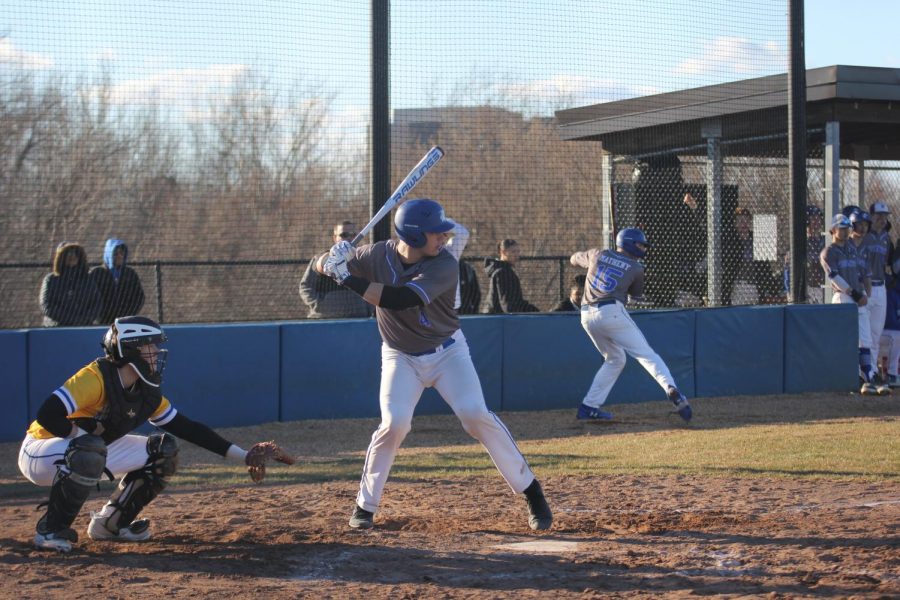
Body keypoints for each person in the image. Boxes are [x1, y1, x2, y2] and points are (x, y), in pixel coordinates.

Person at [316, 198, 552, 531]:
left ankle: (532, 492)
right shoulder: (375, 254)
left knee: (475, 414)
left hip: (447, 353)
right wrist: (331, 260)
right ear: (413, 237)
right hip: (400, 354)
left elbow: (400, 300)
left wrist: (348, 279)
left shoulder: (443, 265)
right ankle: (365, 506)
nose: (443, 238)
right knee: (394, 424)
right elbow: (318, 265)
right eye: (435, 233)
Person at [18, 316, 295, 552]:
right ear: (130, 350)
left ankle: (109, 525)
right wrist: (82, 432)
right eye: (148, 346)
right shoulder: (96, 377)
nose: (155, 352)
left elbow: (188, 428)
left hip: (87, 450)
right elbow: (48, 415)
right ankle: (50, 531)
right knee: (89, 448)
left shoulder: (146, 392)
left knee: (164, 450)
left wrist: (244, 456)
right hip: (40, 449)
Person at [569, 228, 693, 423]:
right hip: (611, 312)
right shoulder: (636, 267)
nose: (643, 248)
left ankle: (589, 406)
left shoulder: (598, 253)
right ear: (628, 243)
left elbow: (574, 259)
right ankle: (672, 389)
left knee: (615, 358)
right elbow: (635, 295)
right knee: (647, 355)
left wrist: (590, 261)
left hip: (586, 315)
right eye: (639, 244)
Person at [820, 213, 887, 395]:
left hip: (859, 296)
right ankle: (846, 378)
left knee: (865, 339)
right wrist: (854, 293)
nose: (844, 231)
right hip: (843, 296)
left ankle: (868, 377)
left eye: (846, 228)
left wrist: (865, 292)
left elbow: (864, 271)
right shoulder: (829, 252)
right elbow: (834, 277)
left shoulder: (852, 249)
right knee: (845, 340)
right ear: (832, 230)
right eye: (840, 228)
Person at [299, 221, 370, 319]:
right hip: (324, 320)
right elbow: (305, 287)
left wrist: (368, 308)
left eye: (353, 234)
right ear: (335, 238)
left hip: (359, 320)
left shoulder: (364, 261)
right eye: (344, 235)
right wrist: (319, 305)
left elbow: (376, 285)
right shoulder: (320, 259)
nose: (349, 238)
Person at [40, 242, 102, 327]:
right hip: (56, 327)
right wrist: (69, 319)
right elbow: (46, 305)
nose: (72, 256)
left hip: (83, 326)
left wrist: (84, 319)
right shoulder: (51, 280)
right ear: (61, 257)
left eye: (75, 253)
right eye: (68, 253)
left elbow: (97, 302)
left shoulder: (87, 279)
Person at [866, 202, 894, 378]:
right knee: (864, 333)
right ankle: (863, 370)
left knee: (875, 333)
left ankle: (874, 371)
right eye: (879, 215)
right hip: (865, 288)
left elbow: (888, 263)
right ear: (871, 216)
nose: (882, 219)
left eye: (885, 216)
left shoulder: (886, 238)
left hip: (880, 288)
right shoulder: (864, 236)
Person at [89, 239, 145, 325]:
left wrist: (128, 315)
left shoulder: (129, 273)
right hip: (102, 322)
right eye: (115, 254)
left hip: (125, 322)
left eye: (122, 253)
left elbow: (139, 297)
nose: (119, 256)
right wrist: (99, 315)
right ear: (109, 254)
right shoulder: (97, 273)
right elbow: (89, 297)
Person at [484, 239, 539, 313]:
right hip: (498, 320)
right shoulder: (503, 273)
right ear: (503, 252)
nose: (516, 255)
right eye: (513, 251)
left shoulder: (504, 271)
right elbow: (508, 305)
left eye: (518, 251)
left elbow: (514, 301)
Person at [444, 221, 481, 314]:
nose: (441, 237)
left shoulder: (450, 251)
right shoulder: (421, 252)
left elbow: (463, 233)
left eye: (444, 233)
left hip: (453, 308)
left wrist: (438, 219)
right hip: (430, 308)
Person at [878, 277, 900, 387]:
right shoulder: (891, 294)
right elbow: (890, 322)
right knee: (897, 336)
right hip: (882, 332)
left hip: (890, 331)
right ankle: (892, 374)